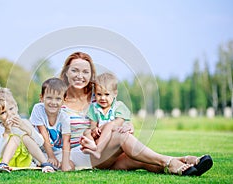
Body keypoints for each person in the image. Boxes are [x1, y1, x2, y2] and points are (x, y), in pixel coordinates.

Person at [59, 51, 213, 176]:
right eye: (75, 70)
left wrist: (127, 125)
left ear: (90, 75)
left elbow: (117, 117)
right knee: (122, 138)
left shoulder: (98, 96)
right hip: (81, 154)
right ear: (66, 72)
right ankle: (170, 162)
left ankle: (185, 164)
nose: (80, 75)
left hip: (106, 150)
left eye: (85, 71)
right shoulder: (57, 102)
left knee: (140, 160)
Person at [0, 87, 56, 173]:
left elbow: (40, 142)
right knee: (15, 138)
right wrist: (6, 134)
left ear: (16, 106)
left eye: (11, 109)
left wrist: (27, 129)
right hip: (2, 161)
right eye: (3, 112)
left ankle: (45, 164)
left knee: (25, 137)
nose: (9, 114)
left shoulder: (24, 123)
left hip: (22, 162)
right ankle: (3, 165)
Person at [29, 78, 75, 171]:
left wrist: (65, 162)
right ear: (41, 98)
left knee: (70, 165)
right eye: (49, 98)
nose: (53, 102)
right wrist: (51, 156)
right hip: (36, 149)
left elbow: (66, 141)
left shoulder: (64, 117)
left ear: (64, 100)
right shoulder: (38, 109)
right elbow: (43, 133)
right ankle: (40, 162)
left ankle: (45, 163)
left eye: (58, 99)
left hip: (55, 150)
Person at [82, 72, 131, 159]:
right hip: (100, 138)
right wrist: (94, 130)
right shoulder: (94, 108)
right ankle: (93, 147)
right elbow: (93, 125)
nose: (102, 98)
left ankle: (98, 151)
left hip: (115, 137)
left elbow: (118, 123)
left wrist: (128, 127)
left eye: (107, 94)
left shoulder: (119, 106)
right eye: (99, 94)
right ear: (95, 94)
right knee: (86, 132)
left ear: (115, 94)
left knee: (110, 125)